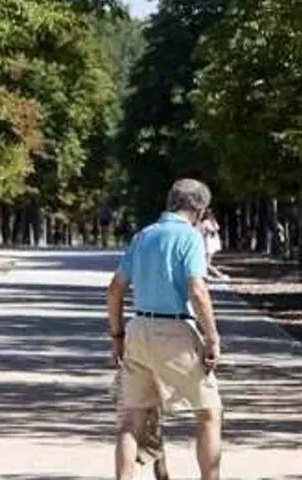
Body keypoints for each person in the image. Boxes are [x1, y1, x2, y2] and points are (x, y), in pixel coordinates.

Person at [107, 179, 222, 480]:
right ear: (199, 209)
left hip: (139, 329)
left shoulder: (143, 236)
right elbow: (197, 290)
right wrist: (211, 337)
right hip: (175, 330)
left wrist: (117, 336)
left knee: (131, 419)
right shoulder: (190, 237)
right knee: (209, 413)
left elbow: (115, 289)